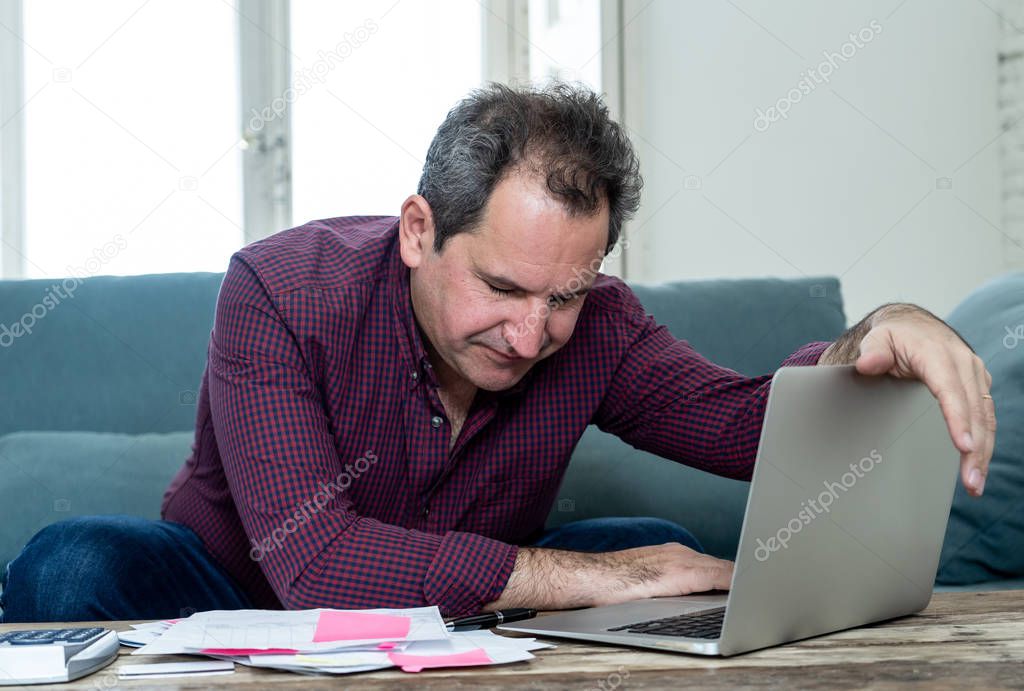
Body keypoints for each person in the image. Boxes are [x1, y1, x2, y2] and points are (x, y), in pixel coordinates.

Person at [0, 83, 995, 623]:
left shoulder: (595, 324)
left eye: (564, 294)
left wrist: (875, 339)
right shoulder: (278, 289)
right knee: (69, 561)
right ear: (418, 230)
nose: (530, 337)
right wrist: (595, 580)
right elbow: (314, 563)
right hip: (241, 596)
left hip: (458, 609)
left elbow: (748, 425)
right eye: (504, 289)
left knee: (660, 550)